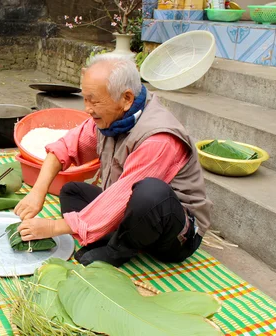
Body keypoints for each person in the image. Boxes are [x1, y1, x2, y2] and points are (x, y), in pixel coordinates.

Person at [14, 54, 212, 267]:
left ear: (126, 98)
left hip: (174, 235)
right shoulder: (109, 119)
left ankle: (119, 249)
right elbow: (64, 149)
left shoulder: (159, 138)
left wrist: (53, 228)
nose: (87, 108)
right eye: (85, 99)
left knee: (150, 193)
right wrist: (37, 193)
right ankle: (117, 234)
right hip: (132, 211)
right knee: (71, 191)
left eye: (94, 100)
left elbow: (122, 195)